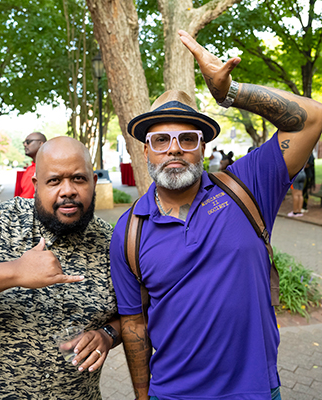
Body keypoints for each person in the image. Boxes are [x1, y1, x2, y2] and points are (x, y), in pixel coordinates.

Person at [110, 30, 322, 400]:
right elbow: (133, 324)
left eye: (187, 138)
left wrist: (230, 93)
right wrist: (143, 397)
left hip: (254, 391)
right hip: (171, 394)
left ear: (202, 147)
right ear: (146, 151)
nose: (174, 150)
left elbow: (311, 119)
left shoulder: (248, 185)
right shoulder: (129, 230)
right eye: (161, 140)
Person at [0, 136, 120, 399]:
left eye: (78, 179)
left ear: (93, 182)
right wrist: (14, 272)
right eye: (54, 180)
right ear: (36, 185)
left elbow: (137, 312)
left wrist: (108, 334)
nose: (68, 190)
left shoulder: (114, 245)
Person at [18, 131, 47, 198]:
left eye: (28, 142)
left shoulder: (49, 168)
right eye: (24, 142)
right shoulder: (29, 169)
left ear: (41, 144)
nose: (25, 144)